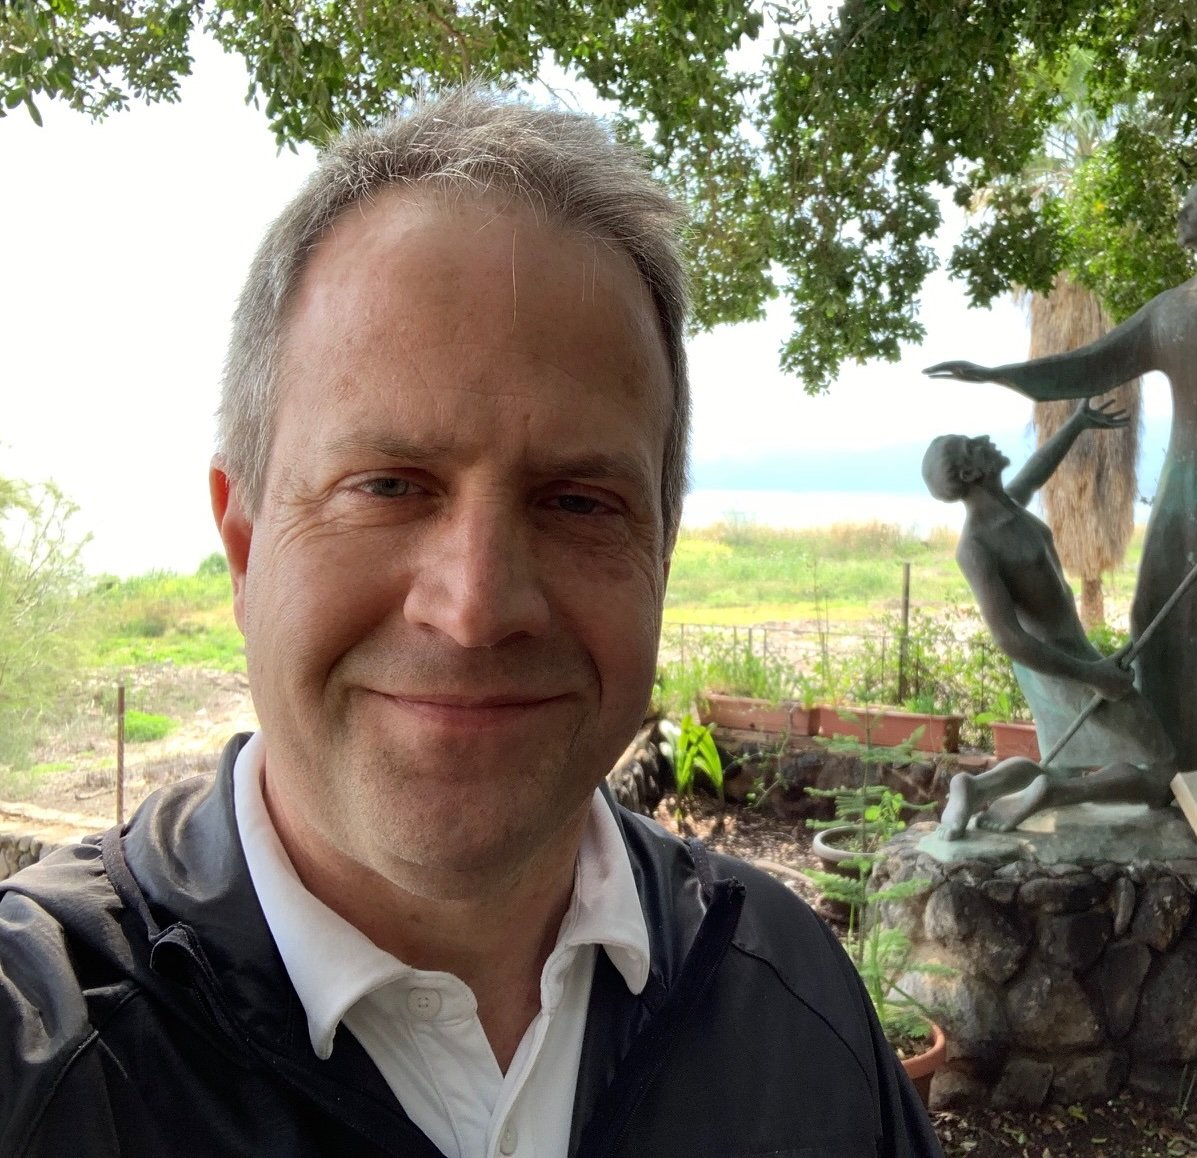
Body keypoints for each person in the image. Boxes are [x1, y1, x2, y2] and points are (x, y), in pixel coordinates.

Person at [0, 90, 941, 1158]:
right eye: (388, 485)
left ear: (662, 558)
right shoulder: (40, 1055)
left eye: (578, 502)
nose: (477, 607)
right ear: (245, 543)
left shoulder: (792, 1007)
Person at [926, 175, 1197, 773]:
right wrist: (997, 374)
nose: (1181, 212)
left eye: (1193, 203)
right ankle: (1168, 768)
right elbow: (1089, 364)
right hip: (1180, 490)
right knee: (1155, 612)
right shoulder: (1168, 310)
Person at [918, 403, 1176, 841]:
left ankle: (978, 787)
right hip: (1058, 665)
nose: (984, 440)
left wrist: (1077, 423)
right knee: (1162, 773)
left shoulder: (1009, 507)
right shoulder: (976, 546)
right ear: (969, 473)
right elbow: (1009, 637)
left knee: (1059, 760)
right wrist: (1092, 674)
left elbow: (1037, 470)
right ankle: (1055, 795)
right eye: (972, 446)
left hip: (1065, 659)